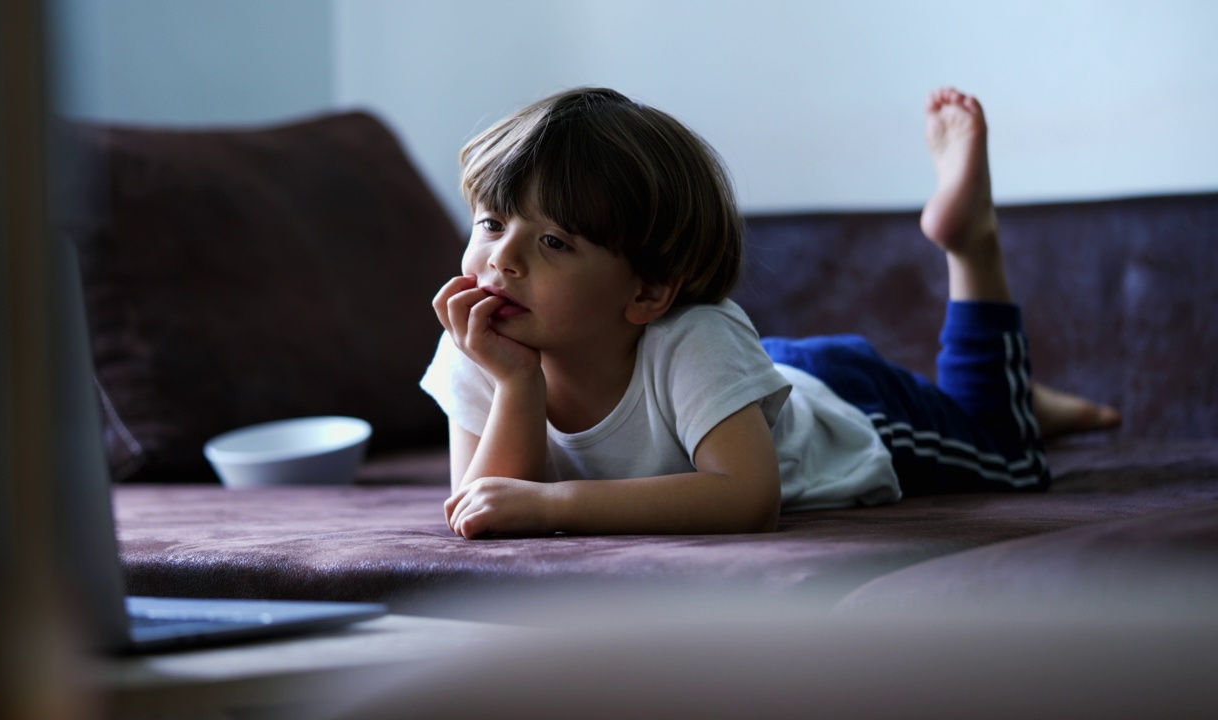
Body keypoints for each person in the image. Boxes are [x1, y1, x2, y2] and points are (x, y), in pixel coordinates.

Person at [421, 86, 1119, 539]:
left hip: (849, 409)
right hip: (744, 386)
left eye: (552, 242)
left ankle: (972, 247)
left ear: (646, 293)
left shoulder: (693, 337)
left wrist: (554, 507)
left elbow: (746, 496)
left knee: (1007, 454)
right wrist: (516, 385)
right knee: (985, 415)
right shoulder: (480, 342)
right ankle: (1027, 397)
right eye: (490, 223)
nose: (502, 260)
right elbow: (483, 508)